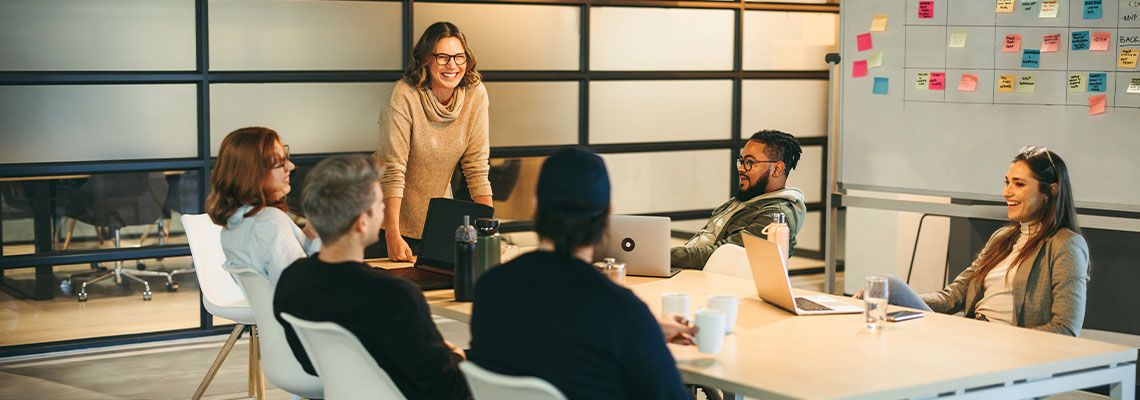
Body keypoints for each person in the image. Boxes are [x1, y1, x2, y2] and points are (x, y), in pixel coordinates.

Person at [469, 148, 694, 400]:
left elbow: (548, 330)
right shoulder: (621, 311)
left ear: (535, 208)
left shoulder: (491, 287)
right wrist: (642, 332)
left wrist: (647, 330)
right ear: (607, 217)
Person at [274, 156, 469, 399]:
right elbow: (448, 391)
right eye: (379, 204)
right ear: (362, 223)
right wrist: (455, 358)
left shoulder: (292, 280)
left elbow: (309, 363)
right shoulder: (397, 296)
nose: (384, 210)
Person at [861, 146, 1089, 336]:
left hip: (1000, 342)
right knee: (887, 287)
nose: (1007, 192)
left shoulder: (1065, 245)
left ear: (1049, 191)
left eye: (1019, 184)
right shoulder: (1003, 238)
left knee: (890, 290)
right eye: (1007, 182)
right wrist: (896, 300)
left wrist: (1008, 341)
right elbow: (953, 296)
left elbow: (1065, 329)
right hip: (971, 331)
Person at [374, 21, 492, 262]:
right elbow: (392, 170)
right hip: (388, 224)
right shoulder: (404, 95)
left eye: (459, 57)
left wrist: (488, 232)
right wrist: (392, 236)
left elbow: (477, 167)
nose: (452, 66)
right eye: (442, 57)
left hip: (436, 223)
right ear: (426, 59)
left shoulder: (475, 94)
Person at [672, 130, 807, 269]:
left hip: (710, 278)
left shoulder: (775, 216)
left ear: (777, 169)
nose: (741, 168)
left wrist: (669, 256)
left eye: (749, 162)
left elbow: (721, 254)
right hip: (689, 270)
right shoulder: (745, 200)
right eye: (742, 161)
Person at [207, 127, 318, 285]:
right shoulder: (270, 223)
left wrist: (310, 235)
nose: (291, 166)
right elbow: (301, 288)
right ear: (252, 173)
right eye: (279, 162)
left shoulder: (236, 225)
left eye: (286, 158)